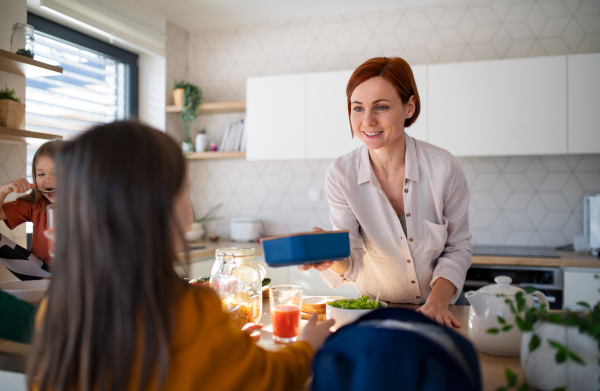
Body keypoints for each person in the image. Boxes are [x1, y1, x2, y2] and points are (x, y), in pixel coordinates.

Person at [27, 121, 334, 391]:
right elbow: (268, 380)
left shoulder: (57, 308)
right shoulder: (193, 312)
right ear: (156, 209)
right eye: (185, 191)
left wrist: (227, 350)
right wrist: (308, 347)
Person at [300, 57, 472, 328]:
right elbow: (352, 260)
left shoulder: (443, 167)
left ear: (409, 107)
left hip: (441, 310)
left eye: (381, 107)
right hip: (376, 313)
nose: (367, 121)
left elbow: (458, 247)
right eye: (358, 108)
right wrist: (331, 257)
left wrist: (437, 303)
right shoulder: (341, 174)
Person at [0, 140, 61, 280]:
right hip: (39, 270)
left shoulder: (87, 206)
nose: (48, 181)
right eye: (41, 174)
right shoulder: (34, 204)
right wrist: (4, 190)